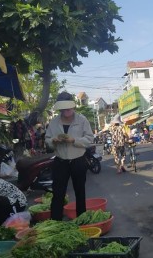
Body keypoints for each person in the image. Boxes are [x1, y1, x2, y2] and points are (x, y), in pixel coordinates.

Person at [45, 92, 93, 220]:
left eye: (69, 108)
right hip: (60, 162)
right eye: (64, 108)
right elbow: (47, 140)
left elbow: (89, 139)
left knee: (80, 192)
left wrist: (74, 140)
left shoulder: (82, 120)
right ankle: (55, 222)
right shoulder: (54, 122)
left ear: (73, 106)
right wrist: (53, 141)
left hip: (78, 161)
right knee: (58, 194)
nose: (67, 110)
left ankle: (81, 220)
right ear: (59, 108)